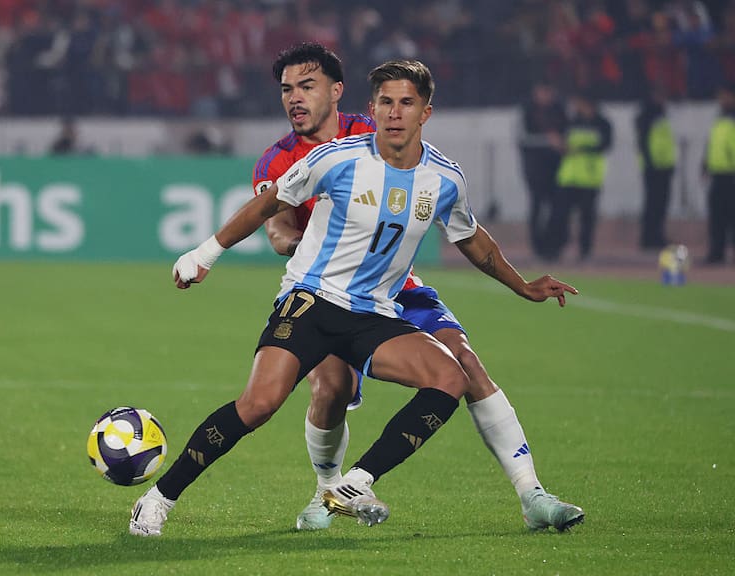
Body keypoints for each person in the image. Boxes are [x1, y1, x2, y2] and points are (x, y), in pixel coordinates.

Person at [128, 59, 580, 538]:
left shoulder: (445, 178)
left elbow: (471, 238)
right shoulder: (335, 158)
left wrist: (523, 286)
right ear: (372, 108)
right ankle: (157, 499)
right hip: (313, 299)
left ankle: (355, 483)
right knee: (260, 404)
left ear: (426, 112)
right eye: (386, 102)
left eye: (406, 103)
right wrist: (204, 254)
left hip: (376, 310)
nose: (395, 112)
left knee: (451, 374)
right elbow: (269, 206)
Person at [255, 43, 584, 533]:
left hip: (399, 287)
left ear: (336, 91)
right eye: (287, 90)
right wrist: (316, 243)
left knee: (465, 362)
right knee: (331, 388)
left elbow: (457, 218)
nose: (295, 99)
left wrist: (521, 285)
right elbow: (276, 228)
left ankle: (532, 495)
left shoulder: (376, 130)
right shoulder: (276, 159)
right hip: (330, 293)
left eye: (307, 86)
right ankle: (327, 491)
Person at [546, 91, 613, 262]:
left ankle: (585, 251)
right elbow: (561, 143)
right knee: (560, 215)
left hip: (589, 178)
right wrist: (558, 145)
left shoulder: (602, 124)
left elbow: (605, 144)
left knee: (587, 217)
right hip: (568, 176)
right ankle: (556, 249)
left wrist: (580, 149)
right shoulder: (571, 121)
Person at [517, 78, 567, 258]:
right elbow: (523, 138)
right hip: (535, 169)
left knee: (558, 207)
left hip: (557, 167)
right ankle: (538, 248)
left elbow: (566, 133)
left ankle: (554, 246)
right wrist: (549, 139)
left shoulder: (559, 109)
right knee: (537, 206)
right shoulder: (527, 111)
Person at [635, 86, 677, 250]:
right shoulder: (647, 116)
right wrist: (650, 163)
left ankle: (656, 235)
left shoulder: (661, 115)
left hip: (664, 166)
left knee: (660, 203)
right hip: (653, 167)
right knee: (653, 203)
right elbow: (644, 143)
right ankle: (649, 237)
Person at [702, 83, 735, 265]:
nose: (721, 100)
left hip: (731, 174)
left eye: (725, 96)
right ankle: (716, 252)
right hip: (718, 174)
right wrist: (705, 165)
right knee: (717, 217)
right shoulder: (720, 118)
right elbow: (712, 144)